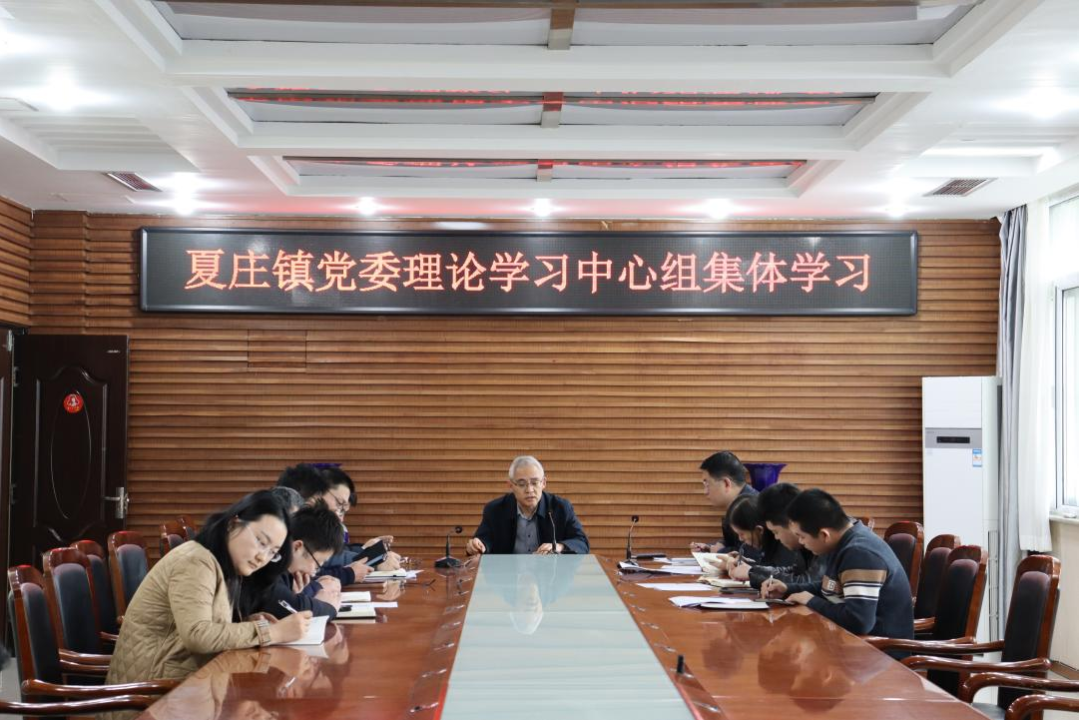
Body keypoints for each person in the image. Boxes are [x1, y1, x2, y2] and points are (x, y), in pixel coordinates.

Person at [106, 491, 313, 691]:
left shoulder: (224, 566)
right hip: (150, 696)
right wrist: (271, 632)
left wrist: (247, 623)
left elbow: (203, 625)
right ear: (233, 523)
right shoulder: (196, 561)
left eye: (272, 552)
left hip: (184, 687)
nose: (262, 557)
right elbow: (197, 635)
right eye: (261, 542)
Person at [761, 489, 914, 644]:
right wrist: (788, 589)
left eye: (802, 536)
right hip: (854, 641)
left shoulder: (860, 553)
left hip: (881, 649)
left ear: (824, 535)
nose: (801, 542)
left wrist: (811, 600)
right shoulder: (843, 543)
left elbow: (858, 621)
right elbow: (832, 587)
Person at [465, 455, 589, 555]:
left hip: (549, 575)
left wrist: (559, 547)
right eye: (522, 484)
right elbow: (483, 541)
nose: (529, 490)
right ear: (510, 485)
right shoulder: (495, 510)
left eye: (534, 483)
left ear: (543, 483)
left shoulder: (560, 508)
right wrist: (477, 546)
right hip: (508, 575)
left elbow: (582, 543)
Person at [261, 502, 345, 620]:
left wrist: (299, 594)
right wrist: (329, 607)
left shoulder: (285, 573)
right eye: (317, 564)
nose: (312, 573)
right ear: (297, 547)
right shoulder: (267, 567)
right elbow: (296, 608)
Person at [738, 483, 821, 588]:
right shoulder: (802, 542)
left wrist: (752, 574)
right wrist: (754, 570)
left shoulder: (821, 539)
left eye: (776, 532)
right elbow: (794, 572)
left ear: (791, 523)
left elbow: (808, 582)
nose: (776, 538)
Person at [710, 495, 802, 579]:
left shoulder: (785, 541)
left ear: (759, 530)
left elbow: (785, 574)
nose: (740, 539)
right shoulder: (763, 540)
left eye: (742, 534)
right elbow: (769, 566)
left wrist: (750, 571)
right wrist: (741, 564)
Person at [690, 451, 757, 553]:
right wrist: (711, 547)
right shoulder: (737, 505)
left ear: (726, 483)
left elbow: (752, 555)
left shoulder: (752, 508)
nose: (705, 492)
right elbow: (735, 543)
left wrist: (721, 550)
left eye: (707, 484)